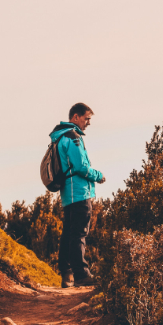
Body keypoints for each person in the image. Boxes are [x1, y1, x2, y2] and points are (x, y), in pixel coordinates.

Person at [49, 103, 105, 287]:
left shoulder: (60, 137)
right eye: (86, 118)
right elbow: (81, 167)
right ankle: (81, 274)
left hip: (67, 194)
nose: (88, 122)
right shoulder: (73, 137)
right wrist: (98, 176)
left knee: (68, 234)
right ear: (75, 117)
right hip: (80, 192)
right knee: (79, 234)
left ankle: (66, 274)